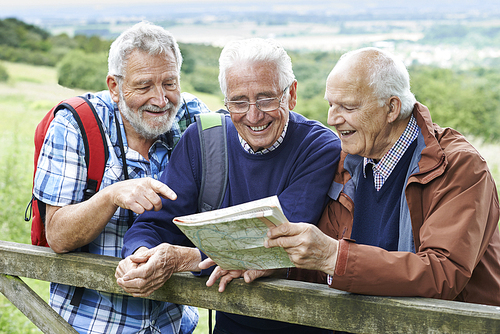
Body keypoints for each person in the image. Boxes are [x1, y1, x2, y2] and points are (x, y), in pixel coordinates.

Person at [116, 38, 342, 334]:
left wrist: (183, 258)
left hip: (304, 322)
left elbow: (271, 242)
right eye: (238, 101)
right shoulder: (203, 139)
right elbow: (156, 223)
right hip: (231, 324)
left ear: (292, 94)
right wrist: (141, 255)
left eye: (266, 99)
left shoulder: (319, 147)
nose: (253, 114)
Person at [261, 47, 500, 306]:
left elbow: (442, 272)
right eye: (331, 104)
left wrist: (334, 256)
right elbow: (323, 265)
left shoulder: (458, 166)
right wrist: (275, 267)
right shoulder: (345, 161)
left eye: (347, 107)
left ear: (391, 108)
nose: (332, 119)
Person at [33, 21, 211, 333]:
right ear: (115, 87)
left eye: (170, 83)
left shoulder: (194, 117)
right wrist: (111, 196)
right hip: (91, 324)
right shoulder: (75, 124)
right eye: (144, 86)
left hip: (173, 324)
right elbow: (58, 235)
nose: (160, 99)